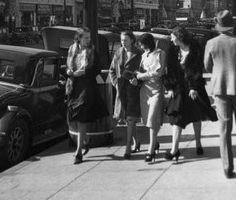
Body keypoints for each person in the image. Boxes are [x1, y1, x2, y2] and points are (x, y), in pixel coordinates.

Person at [204, 10, 236, 179]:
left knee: (224, 128)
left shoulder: (211, 43)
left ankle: (227, 166)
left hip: (220, 88)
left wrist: (218, 73)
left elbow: (207, 66)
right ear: (232, 26)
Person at [164, 26, 217, 162]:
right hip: (178, 88)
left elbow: (197, 69)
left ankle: (198, 143)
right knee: (177, 119)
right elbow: (169, 71)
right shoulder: (172, 51)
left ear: (180, 38)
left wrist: (194, 87)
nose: (171, 40)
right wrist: (169, 87)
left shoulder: (195, 49)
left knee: (196, 116)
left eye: (173, 37)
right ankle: (174, 149)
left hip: (193, 88)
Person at [66, 27, 109, 164]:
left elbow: (98, 68)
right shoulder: (72, 49)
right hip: (74, 86)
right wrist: (69, 71)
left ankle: (78, 152)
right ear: (78, 38)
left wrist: (84, 73)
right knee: (75, 118)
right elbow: (67, 66)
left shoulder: (92, 51)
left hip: (87, 86)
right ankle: (85, 140)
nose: (88, 40)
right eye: (86, 38)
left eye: (89, 38)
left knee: (81, 116)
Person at [109, 30, 143, 159]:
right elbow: (112, 70)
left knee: (130, 118)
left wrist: (138, 81)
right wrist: (115, 83)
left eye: (126, 40)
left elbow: (144, 70)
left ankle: (128, 147)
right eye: (121, 40)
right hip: (121, 90)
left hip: (133, 91)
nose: (123, 43)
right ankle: (136, 142)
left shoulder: (139, 53)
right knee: (128, 119)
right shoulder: (118, 52)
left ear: (132, 40)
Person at [135, 32, 166, 163]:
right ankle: (155, 142)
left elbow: (159, 73)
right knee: (147, 119)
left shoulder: (160, 53)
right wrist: (136, 77)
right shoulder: (143, 55)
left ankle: (150, 151)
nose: (140, 46)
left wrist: (141, 76)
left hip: (156, 89)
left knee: (153, 118)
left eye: (142, 44)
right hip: (144, 90)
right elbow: (141, 71)